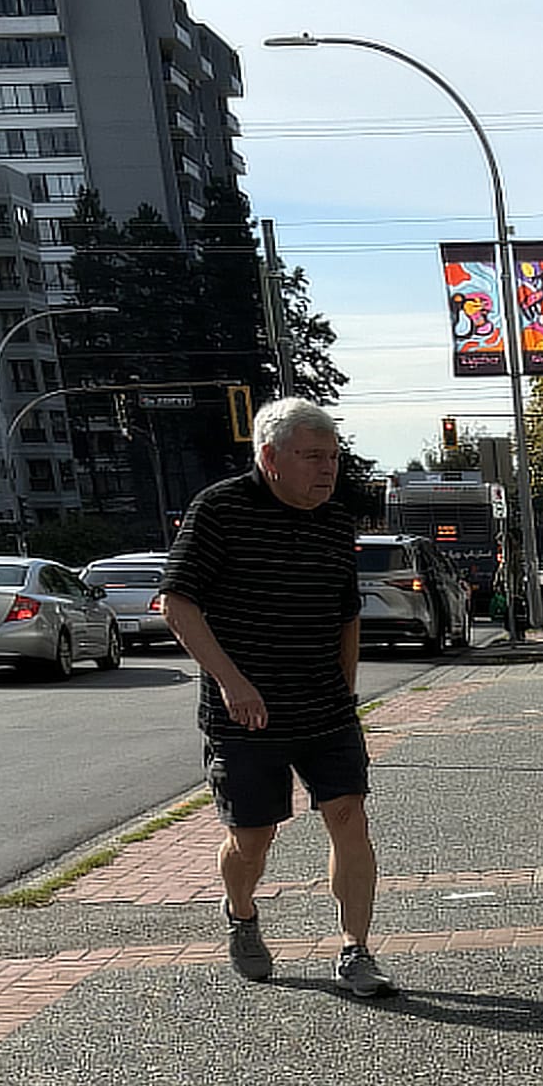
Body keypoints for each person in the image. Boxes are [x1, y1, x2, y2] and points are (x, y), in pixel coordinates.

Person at [158, 396, 395, 998]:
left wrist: (345, 689)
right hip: (247, 714)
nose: (327, 468)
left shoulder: (335, 522)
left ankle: (356, 950)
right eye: (312, 457)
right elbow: (177, 604)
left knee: (349, 816)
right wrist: (232, 682)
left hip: (325, 708)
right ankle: (241, 913)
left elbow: (347, 614)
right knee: (253, 839)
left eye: (333, 457)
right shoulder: (219, 510)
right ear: (269, 457)